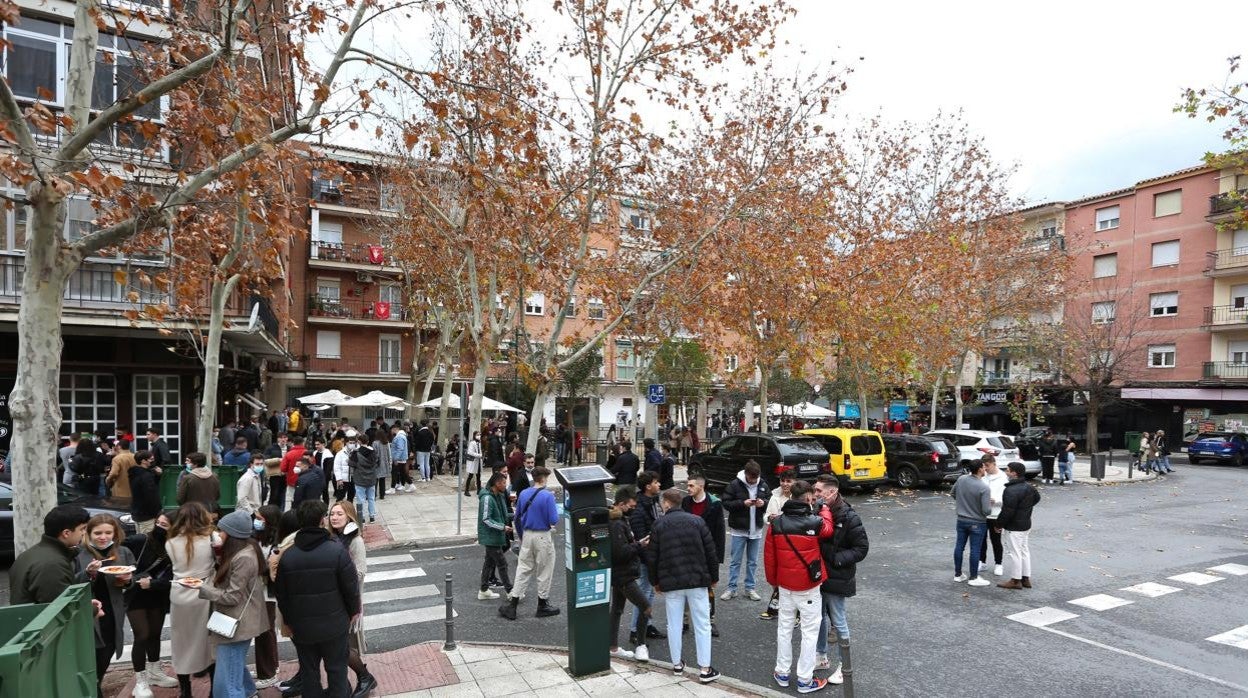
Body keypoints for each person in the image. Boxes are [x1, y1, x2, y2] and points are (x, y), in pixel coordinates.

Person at [276, 500, 362, 698]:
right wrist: (351, 613)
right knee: (337, 671)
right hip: (334, 624)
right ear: (322, 520)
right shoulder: (337, 551)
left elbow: (282, 595)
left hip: (302, 628)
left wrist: (290, 621)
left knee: (309, 673)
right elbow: (351, 588)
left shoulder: (289, 556)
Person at [765, 481, 833, 694]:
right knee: (809, 632)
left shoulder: (776, 524)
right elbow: (828, 530)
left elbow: (769, 557)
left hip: (785, 585)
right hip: (809, 586)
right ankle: (805, 679)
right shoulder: (814, 521)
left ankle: (782, 672)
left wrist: (774, 582)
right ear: (808, 499)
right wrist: (824, 509)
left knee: (784, 628)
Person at [649, 488, 720, 684]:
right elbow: (710, 552)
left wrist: (655, 581)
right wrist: (713, 578)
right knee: (702, 624)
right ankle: (705, 669)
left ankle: (677, 664)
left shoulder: (659, 525)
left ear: (666, 504)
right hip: (697, 580)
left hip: (671, 582)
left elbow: (652, 556)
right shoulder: (697, 522)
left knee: (674, 623)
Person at [198, 510, 269, 698]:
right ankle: (249, 692)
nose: (218, 534)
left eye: (221, 531)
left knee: (226, 684)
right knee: (233, 668)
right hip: (237, 622)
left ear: (231, 534)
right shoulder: (244, 550)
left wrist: (203, 589)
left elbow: (232, 597)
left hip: (237, 623)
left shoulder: (244, 557)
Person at [812, 475, 868, 683]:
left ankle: (845, 666)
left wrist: (836, 560)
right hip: (819, 575)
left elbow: (862, 549)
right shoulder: (817, 511)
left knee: (838, 619)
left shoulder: (849, 517)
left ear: (832, 492)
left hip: (837, 576)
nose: (815, 494)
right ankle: (821, 657)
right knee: (818, 618)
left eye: (818, 491)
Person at [78, 514, 138, 698]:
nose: (103, 537)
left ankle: (95, 684)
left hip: (113, 612)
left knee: (108, 651)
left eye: (108, 532)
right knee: (91, 656)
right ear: (88, 533)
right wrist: (88, 574)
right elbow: (72, 585)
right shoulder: (80, 554)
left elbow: (131, 580)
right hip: (90, 613)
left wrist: (128, 580)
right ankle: (93, 690)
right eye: (97, 533)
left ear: (115, 533)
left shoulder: (123, 552)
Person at [124, 512, 178, 697]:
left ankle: (155, 672)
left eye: (165, 525)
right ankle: (140, 680)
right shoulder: (141, 540)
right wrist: (127, 573)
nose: (160, 528)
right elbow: (119, 550)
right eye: (158, 523)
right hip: (135, 594)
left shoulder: (175, 547)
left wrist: (154, 584)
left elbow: (175, 575)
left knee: (155, 634)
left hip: (157, 594)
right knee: (142, 635)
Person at [166, 501, 217, 696]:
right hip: (204, 593)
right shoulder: (211, 538)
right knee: (208, 643)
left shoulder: (170, 542)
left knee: (181, 643)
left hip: (179, 592)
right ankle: (213, 690)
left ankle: (186, 691)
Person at [328, 501, 378, 698]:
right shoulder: (331, 538)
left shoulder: (355, 541)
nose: (335, 517)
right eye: (332, 514)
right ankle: (348, 684)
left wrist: (336, 574)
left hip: (348, 601)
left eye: (339, 514)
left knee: (344, 646)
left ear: (349, 516)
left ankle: (364, 677)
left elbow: (360, 572)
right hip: (332, 599)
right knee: (339, 646)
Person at [499, 467, 561, 620]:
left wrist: (521, 535)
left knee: (523, 569)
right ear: (544, 478)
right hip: (542, 536)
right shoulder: (547, 496)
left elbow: (517, 516)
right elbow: (554, 520)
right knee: (544, 570)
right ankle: (542, 604)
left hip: (527, 535)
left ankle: (513, 604)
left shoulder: (525, 493)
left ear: (534, 478)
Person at [9, 505, 93, 604]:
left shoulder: (33, 553)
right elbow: (60, 607)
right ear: (66, 533)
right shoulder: (53, 564)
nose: (84, 533)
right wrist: (93, 609)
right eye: (82, 529)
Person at [608, 486, 651, 662]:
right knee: (645, 607)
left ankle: (612, 647)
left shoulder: (619, 519)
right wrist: (639, 545)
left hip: (619, 574)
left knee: (617, 610)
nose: (633, 510)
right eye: (631, 506)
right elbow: (621, 552)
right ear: (621, 503)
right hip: (624, 575)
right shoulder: (617, 524)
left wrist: (637, 543)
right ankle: (641, 646)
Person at [681, 474, 725, 637]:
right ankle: (684, 622)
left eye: (691, 486)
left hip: (706, 553)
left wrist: (717, 558)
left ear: (701, 486)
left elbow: (719, 533)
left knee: (708, 588)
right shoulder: (686, 502)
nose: (688, 488)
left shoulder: (714, 504)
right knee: (685, 587)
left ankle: (710, 621)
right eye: (687, 485)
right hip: (688, 552)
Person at [721, 460, 771, 602]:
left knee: (753, 561)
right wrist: (742, 503)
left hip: (756, 529)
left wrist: (764, 503)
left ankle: (750, 588)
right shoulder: (735, 484)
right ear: (746, 474)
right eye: (751, 478)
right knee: (735, 561)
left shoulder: (762, 484)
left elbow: (770, 500)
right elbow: (725, 502)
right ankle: (732, 588)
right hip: (739, 529)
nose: (753, 481)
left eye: (756, 478)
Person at [627, 472, 666, 644]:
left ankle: (647, 625)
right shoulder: (639, 509)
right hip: (646, 558)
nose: (659, 485)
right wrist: (651, 559)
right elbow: (640, 538)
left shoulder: (653, 502)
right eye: (656, 482)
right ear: (647, 486)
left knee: (649, 593)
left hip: (653, 555)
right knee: (643, 593)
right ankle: (635, 630)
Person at [250, 506, 283, 691]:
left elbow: (272, 570)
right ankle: (270, 666)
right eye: (256, 518)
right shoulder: (258, 537)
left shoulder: (276, 544)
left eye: (260, 518)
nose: (256, 521)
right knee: (264, 632)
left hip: (267, 594)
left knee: (265, 632)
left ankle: (268, 673)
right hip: (258, 592)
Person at [995, 462, 1042, 590]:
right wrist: (1025, 508)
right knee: (1024, 551)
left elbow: (1007, 511)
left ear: (1014, 473)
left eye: (1008, 470)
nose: (1006, 472)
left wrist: (998, 524)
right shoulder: (1029, 487)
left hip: (1014, 526)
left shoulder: (1010, 490)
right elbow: (1037, 498)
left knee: (1014, 552)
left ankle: (1016, 580)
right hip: (1026, 523)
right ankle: (1025, 578)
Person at [759, 468, 797, 620]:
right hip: (775, 539)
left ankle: (790, 611)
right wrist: (770, 518)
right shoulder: (775, 496)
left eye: (788, 481)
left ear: (794, 482)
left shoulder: (798, 497)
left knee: (790, 576)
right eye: (783, 481)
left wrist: (781, 518)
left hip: (792, 541)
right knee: (775, 572)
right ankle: (776, 607)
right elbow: (766, 516)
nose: (785, 484)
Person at [951, 457, 992, 587]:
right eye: (984, 467)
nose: (985, 469)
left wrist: (963, 502)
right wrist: (990, 504)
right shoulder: (984, 487)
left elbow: (953, 493)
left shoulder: (961, 479)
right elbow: (986, 511)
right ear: (980, 469)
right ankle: (973, 577)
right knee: (975, 549)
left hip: (961, 519)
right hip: (978, 522)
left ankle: (958, 574)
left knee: (959, 546)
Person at [477, 472, 514, 601]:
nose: (506, 485)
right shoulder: (487, 498)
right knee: (502, 563)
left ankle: (483, 590)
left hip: (495, 535)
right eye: (504, 483)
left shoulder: (499, 495)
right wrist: (502, 527)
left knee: (489, 562)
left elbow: (502, 514)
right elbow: (486, 519)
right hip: (490, 536)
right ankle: (510, 591)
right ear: (497, 484)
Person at [980, 454, 1008, 577]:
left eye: (987, 466)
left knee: (996, 540)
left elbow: (1006, 496)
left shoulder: (1003, 477)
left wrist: (996, 500)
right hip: (982, 513)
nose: (986, 468)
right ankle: (982, 561)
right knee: (981, 539)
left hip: (996, 513)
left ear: (994, 463)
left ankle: (998, 564)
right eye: (984, 466)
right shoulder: (983, 476)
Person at [129, 450, 164, 535]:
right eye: (151, 459)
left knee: (139, 538)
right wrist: (157, 511)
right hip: (147, 514)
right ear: (143, 461)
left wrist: (156, 476)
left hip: (137, 512)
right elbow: (151, 495)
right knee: (147, 540)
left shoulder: (135, 473)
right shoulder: (146, 476)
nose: (153, 461)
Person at [351, 434, 382, 523]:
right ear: (368, 441)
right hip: (371, 478)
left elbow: (352, 464)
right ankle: (372, 517)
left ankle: (362, 517)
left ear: (359, 441)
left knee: (360, 498)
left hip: (360, 478)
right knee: (371, 498)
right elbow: (377, 464)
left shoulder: (355, 453)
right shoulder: (373, 452)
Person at [388, 424, 412, 494]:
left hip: (399, 458)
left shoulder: (399, 437)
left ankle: (392, 488)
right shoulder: (401, 436)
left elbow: (400, 448)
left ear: (394, 429)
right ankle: (410, 485)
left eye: (391, 431)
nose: (391, 433)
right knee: (402, 473)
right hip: (401, 458)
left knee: (395, 473)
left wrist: (396, 458)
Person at [464, 431, 483, 497]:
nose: (479, 436)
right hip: (473, 461)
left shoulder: (479, 443)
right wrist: (479, 455)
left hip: (478, 462)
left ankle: (479, 490)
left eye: (480, 434)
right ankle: (466, 490)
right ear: (474, 435)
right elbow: (470, 452)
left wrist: (480, 455)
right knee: (470, 476)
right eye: (478, 435)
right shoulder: (472, 443)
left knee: (478, 476)